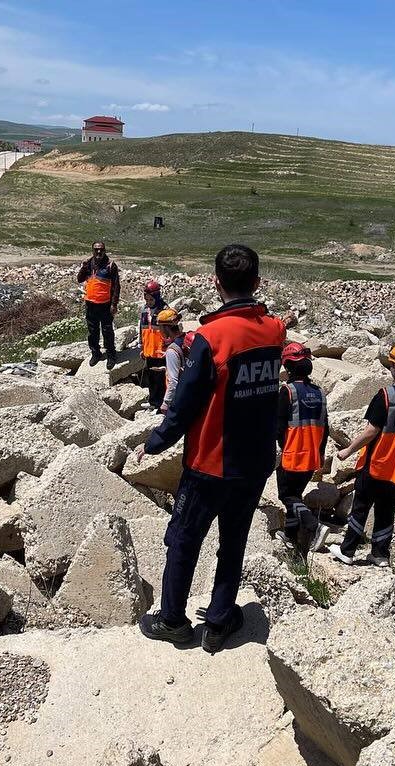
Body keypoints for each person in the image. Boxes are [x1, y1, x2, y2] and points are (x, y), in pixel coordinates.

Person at [135, 244, 286, 653]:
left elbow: (184, 403)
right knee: (233, 541)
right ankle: (219, 622)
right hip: (254, 463)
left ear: (215, 283)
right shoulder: (275, 330)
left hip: (210, 463)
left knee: (184, 539)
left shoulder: (209, 338)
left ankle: (173, 621)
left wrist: (155, 441)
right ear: (256, 282)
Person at [331, 343, 395, 567]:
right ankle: (380, 555)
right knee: (386, 510)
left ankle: (347, 550)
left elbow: (371, 431)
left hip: (378, 462)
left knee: (361, 506)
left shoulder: (388, 395)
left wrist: (347, 451)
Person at [276, 342, 330, 554]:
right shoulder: (319, 393)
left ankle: (314, 526)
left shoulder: (287, 391)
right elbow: (325, 427)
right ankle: (290, 536)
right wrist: (321, 452)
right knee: (296, 493)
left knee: (286, 495)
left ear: (288, 367)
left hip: (293, 453)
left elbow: (279, 427)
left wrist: (281, 448)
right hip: (312, 454)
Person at [76, 241, 120, 366]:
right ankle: (96, 353)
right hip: (90, 304)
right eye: (96, 249)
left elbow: (116, 287)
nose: (99, 252)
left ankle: (111, 355)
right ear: (92, 251)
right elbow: (80, 279)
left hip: (105, 305)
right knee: (92, 331)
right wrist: (83, 268)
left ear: (105, 250)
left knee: (107, 331)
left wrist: (114, 304)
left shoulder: (111, 265)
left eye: (101, 249)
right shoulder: (88, 264)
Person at [139, 280, 168, 408]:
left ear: (156, 297)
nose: (148, 302)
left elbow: (169, 331)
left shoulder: (164, 311)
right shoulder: (145, 310)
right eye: (147, 300)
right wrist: (142, 346)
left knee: (160, 378)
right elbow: (142, 329)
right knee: (150, 377)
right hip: (149, 349)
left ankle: (161, 403)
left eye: (151, 300)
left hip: (160, 350)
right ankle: (153, 402)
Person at [157, 308, 189, 413]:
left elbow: (173, 381)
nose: (159, 330)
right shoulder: (186, 338)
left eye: (160, 327)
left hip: (181, 397)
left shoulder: (172, 350)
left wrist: (165, 403)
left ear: (166, 327)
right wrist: (167, 368)